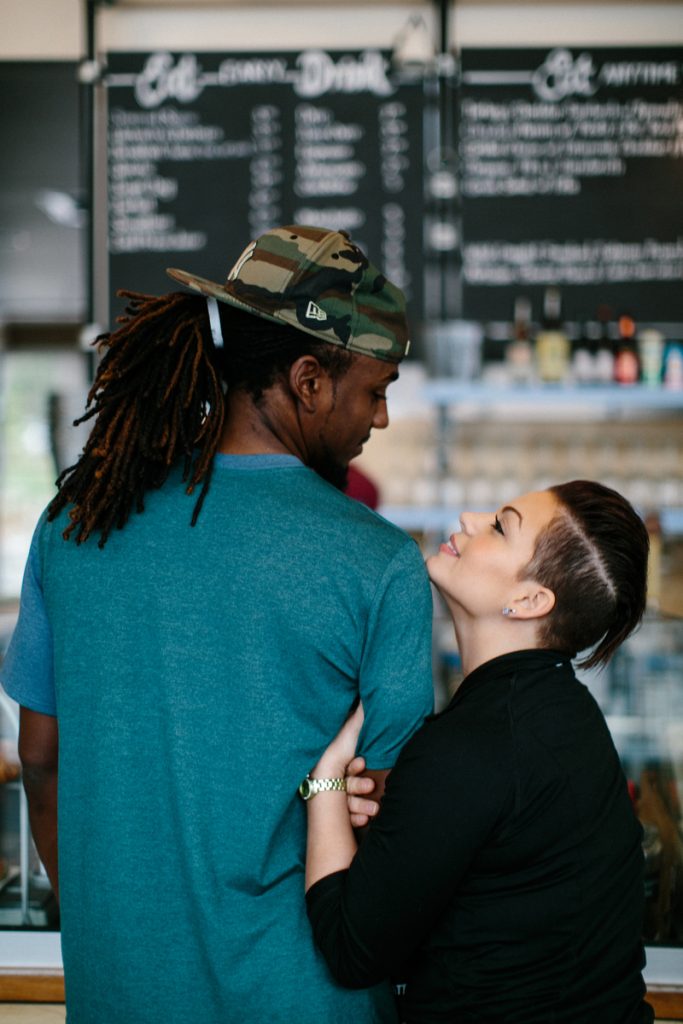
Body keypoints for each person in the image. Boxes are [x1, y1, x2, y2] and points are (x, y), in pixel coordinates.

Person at [2, 225, 435, 1024]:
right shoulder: (376, 563)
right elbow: (397, 820)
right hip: (306, 998)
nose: (378, 417)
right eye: (374, 389)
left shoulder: (77, 527)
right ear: (308, 380)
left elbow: (41, 757)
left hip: (119, 991)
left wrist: (107, 929)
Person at [304, 480, 655, 1024]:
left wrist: (324, 782)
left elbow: (351, 950)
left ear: (529, 600)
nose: (468, 517)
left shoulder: (470, 744)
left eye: (498, 526)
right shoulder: (564, 711)